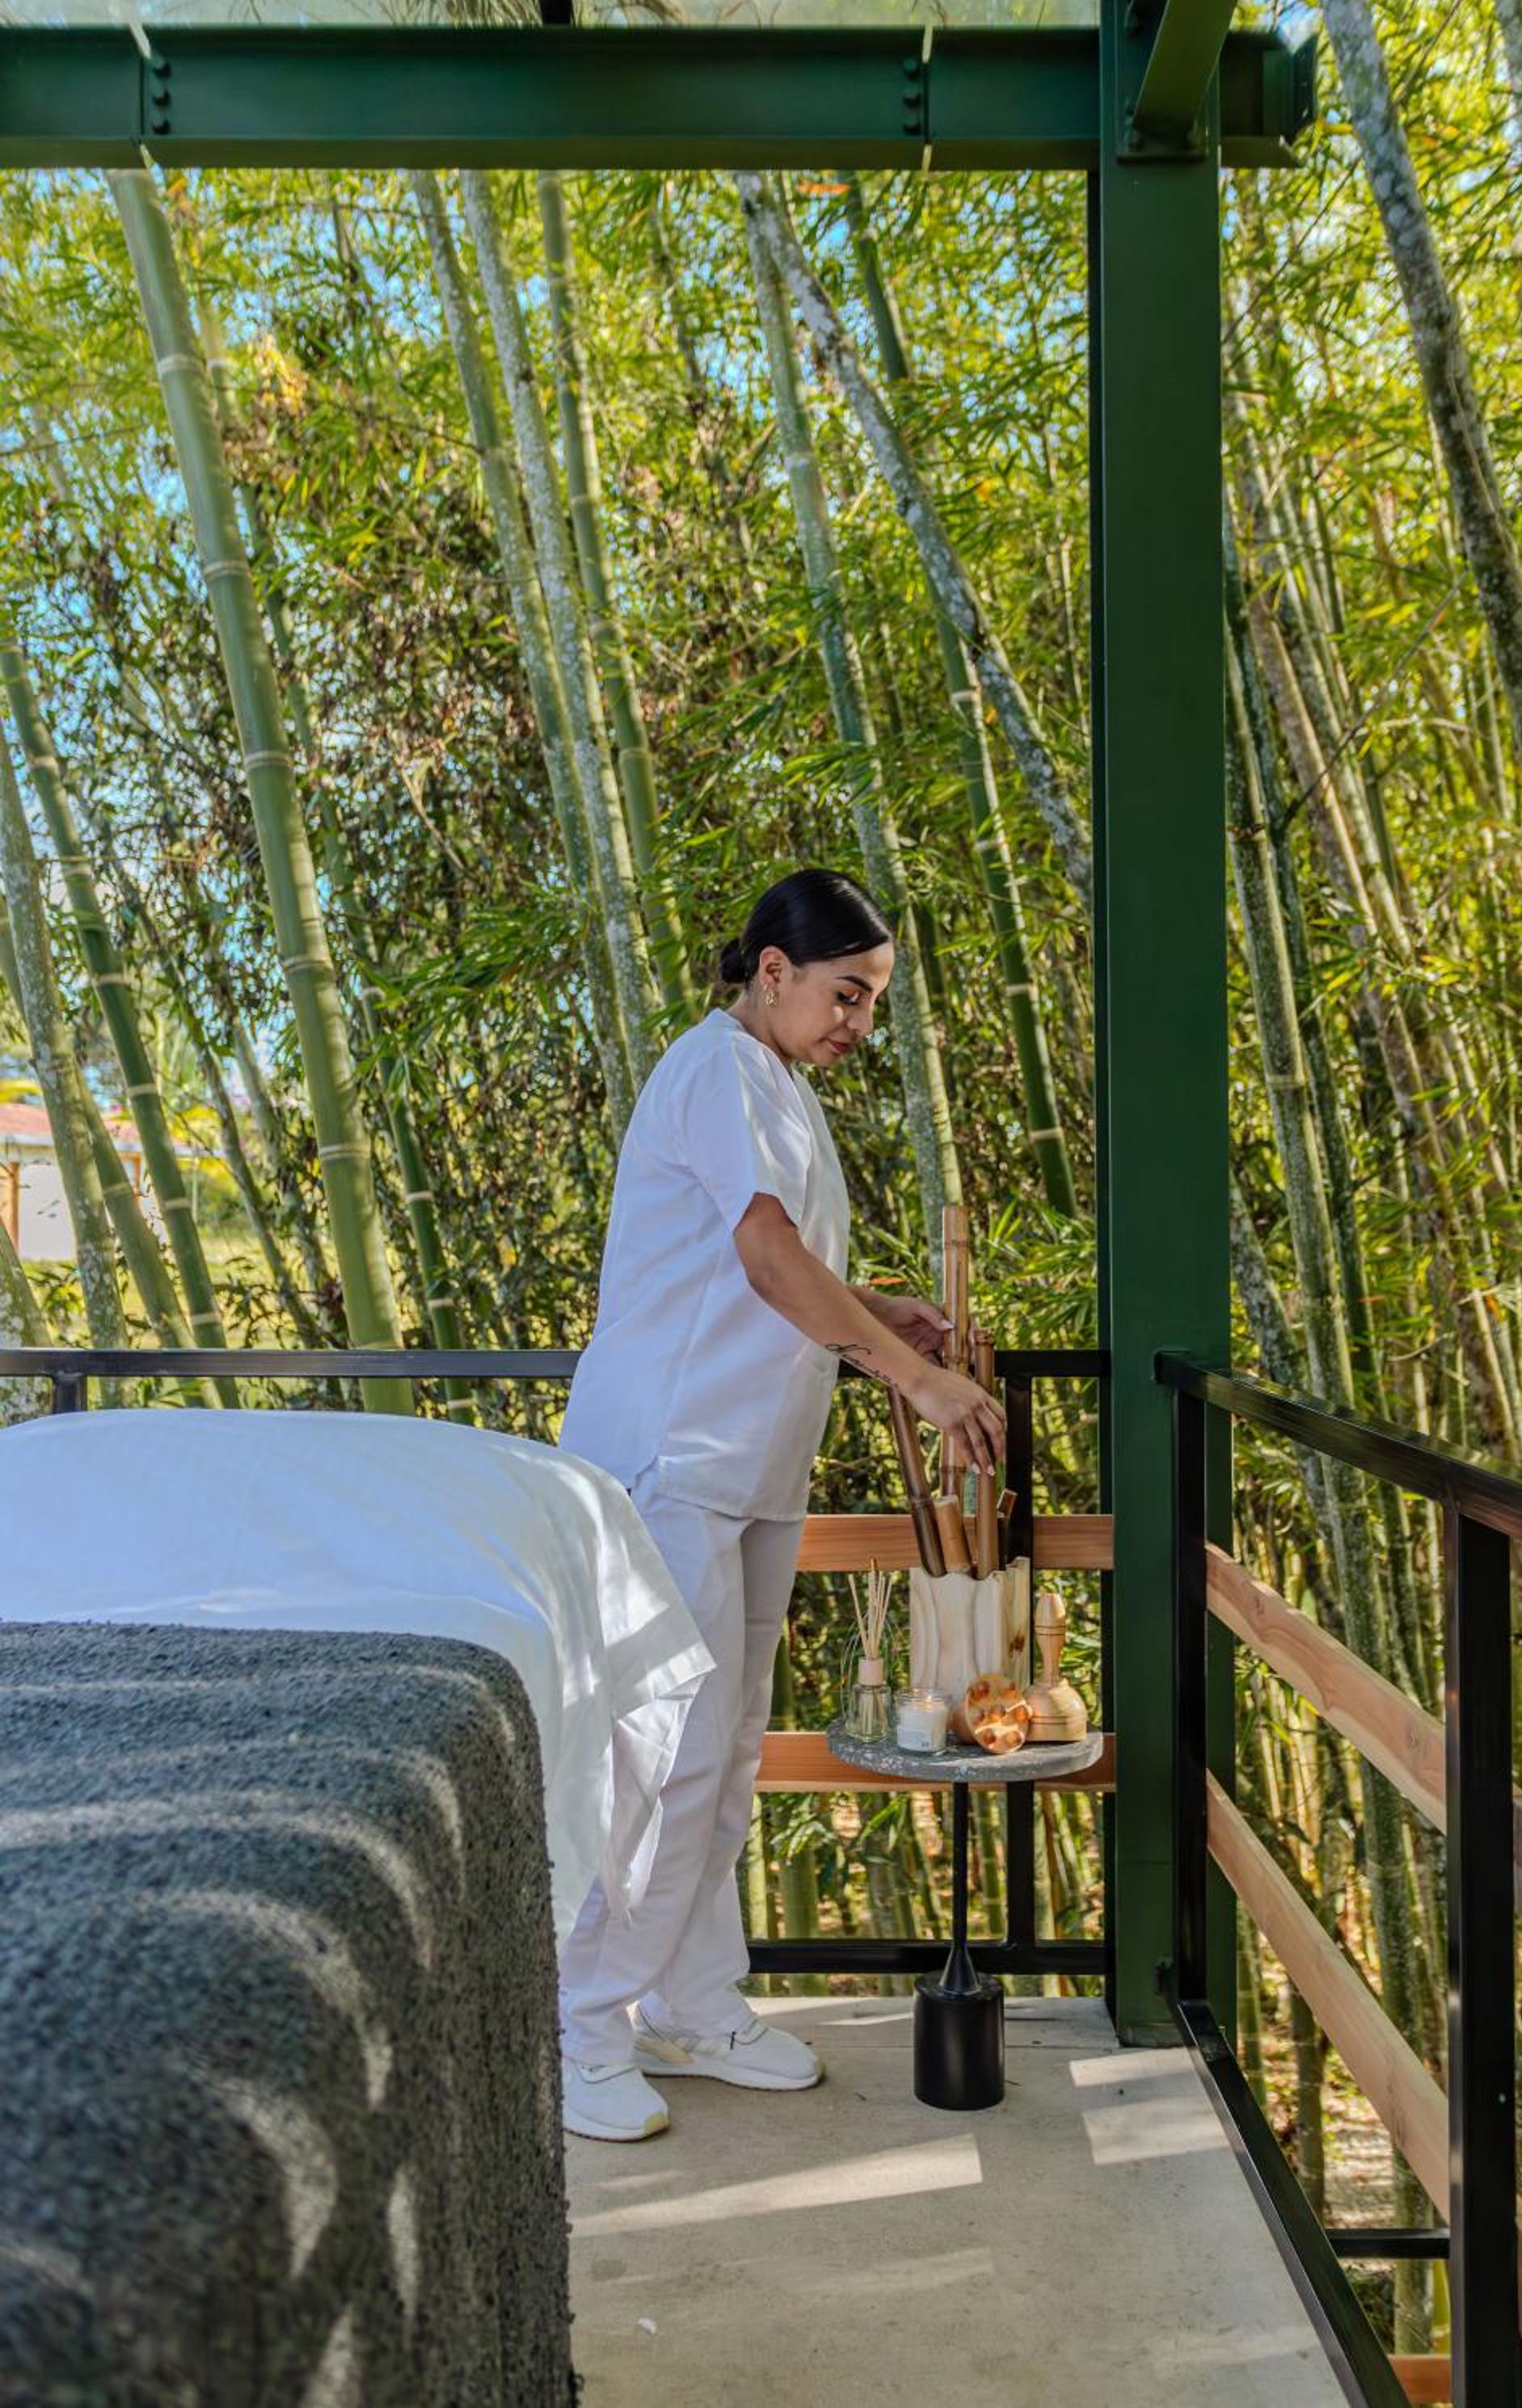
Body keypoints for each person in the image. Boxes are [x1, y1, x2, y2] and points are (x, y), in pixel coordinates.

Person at [555, 866, 1006, 2141]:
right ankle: (579, 2025)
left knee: (732, 1748)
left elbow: (781, 1264)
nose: (860, 1022)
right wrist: (914, 1375)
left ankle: (693, 2006)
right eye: (847, 994)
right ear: (772, 971)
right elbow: (763, 1257)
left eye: (872, 1001)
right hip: (671, 1459)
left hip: (750, 1465)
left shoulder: (779, 1084)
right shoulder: (716, 1069)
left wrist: (885, 1309)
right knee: (664, 1752)